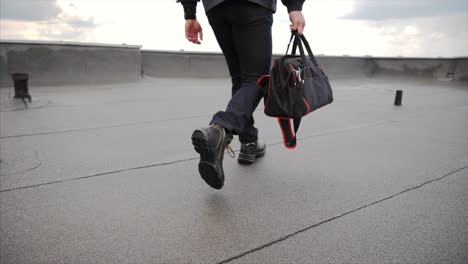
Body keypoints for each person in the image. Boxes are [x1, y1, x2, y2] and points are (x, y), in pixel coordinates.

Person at [178, 0, 306, 189]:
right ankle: (219, 129)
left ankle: (248, 142)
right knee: (257, 79)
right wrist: (294, 7)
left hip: (216, 8)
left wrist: (189, 13)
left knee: (240, 78)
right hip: (253, 5)